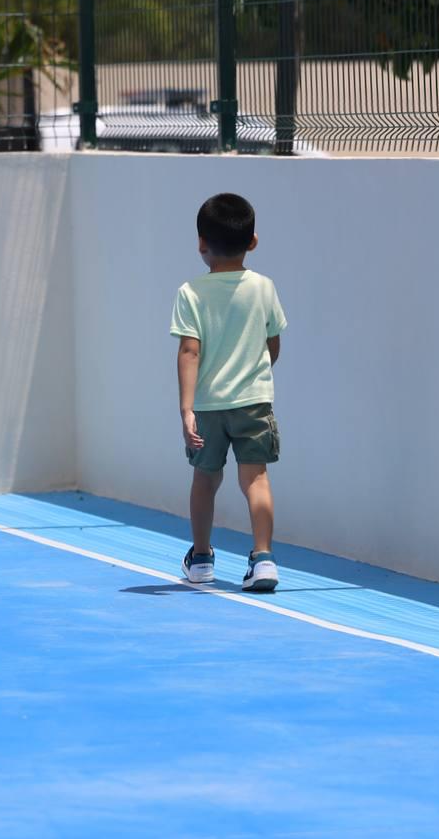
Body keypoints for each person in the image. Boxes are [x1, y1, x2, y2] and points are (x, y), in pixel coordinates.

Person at [170, 193, 286, 592]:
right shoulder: (264, 288)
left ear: (201, 243)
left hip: (207, 406)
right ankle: (263, 558)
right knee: (256, 478)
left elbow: (189, 351)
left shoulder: (190, 292)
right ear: (253, 241)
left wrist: (186, 409)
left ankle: (201, 558)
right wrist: (254, 375)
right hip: (254, 401)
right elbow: (273, 345)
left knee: (205, 478)